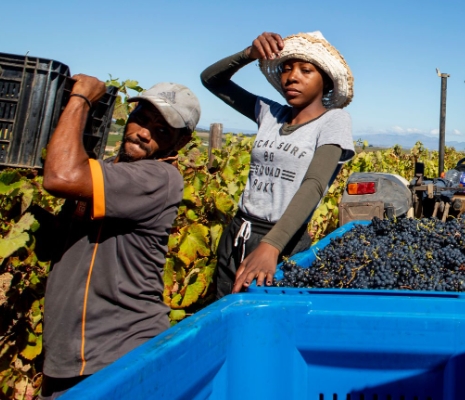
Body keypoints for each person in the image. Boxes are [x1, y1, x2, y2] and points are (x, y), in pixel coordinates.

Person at [39, 74, 201, 399]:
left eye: (160, 131)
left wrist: (82, 98)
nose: (143, 134)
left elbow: (60, 176)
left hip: (112, 352)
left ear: (180, 143)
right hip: (73, 352)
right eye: (141, 119)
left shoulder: (159, 177)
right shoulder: (107, 170)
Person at [200, 31, 355, 298]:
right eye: (285, 69)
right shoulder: (269, 113)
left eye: (306, 70)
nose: (291, 77)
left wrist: (271, 246)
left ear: (326, 83)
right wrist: (249, 54)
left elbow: (315, 184)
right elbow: (211, 80)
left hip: (283, 241)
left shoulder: (333, 121)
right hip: (238, 233)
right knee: (225, 316)